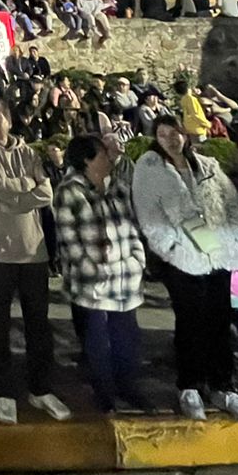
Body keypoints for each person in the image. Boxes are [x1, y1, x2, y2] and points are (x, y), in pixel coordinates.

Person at [131, 115, 238, 422]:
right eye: (163, 135)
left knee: (219, 322)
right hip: (184, 259)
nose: (171, 139)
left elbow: (231, 206)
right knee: (190, 322)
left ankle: (223, 385)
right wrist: (172, 250)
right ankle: (189, 385)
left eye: (174, 132)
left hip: (219, 254)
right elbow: (149, 216)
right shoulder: (150, 171)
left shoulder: (208, 166)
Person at [0, 98, 69, 424]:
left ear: (9, 120)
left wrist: (14, 192)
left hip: (33, 249)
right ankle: (4, 392)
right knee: (0, 327)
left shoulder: (27, 153)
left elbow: (46, 194)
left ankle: (40, 388)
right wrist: (25, 186)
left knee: (39, 325)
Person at [54, 135, 147, 412]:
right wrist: (95, 271)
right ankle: (104, 393)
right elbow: (69, 241)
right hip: (92, 283)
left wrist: (136, 260)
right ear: (87, 160)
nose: (109, 157)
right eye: (103, 154)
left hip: (125, 279)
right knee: (98, 341)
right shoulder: (69, 191)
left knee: (127, 338)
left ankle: (128, 386)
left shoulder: (118, 187)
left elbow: (132, 228)